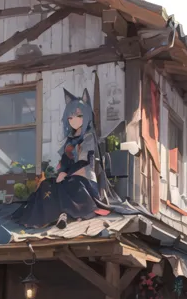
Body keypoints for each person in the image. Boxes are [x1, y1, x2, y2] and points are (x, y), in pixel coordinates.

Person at [13, 88, 117, 229]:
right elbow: (65, 160)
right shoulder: (70, 140)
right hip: (68, 177)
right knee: (46, 185)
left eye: (78, 116)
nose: (74, 120)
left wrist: (66, 174)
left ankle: (66, 214)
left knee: (66, 186)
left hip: (83, 179)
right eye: (70, 117)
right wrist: (61, 171)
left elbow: (84, 161)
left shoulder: (88, 137)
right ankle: (46, 217)